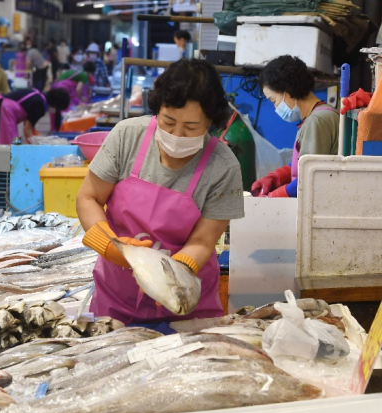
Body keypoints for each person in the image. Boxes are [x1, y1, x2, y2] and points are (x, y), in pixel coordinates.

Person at [76, 58, 244, 325]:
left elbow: (203, 241)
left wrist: (174, 275)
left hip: (187, 305)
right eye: (168, 121)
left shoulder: (224, 167)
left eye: (191, 127)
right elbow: (89, 198)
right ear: (157, 109)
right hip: (117, 298)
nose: (177, 134)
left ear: (211, 121)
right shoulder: (127, 136)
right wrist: (110, 246)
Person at [251, 55, 338, 198]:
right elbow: (304, 164)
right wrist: (276, 177)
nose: (276, 108)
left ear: (288, 90)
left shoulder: (318, 121)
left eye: (274, 100)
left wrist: (274, 196)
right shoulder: (319, 116)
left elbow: (309, 179)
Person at [0, 88, 70, 145]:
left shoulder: (39, 96)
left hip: (0, 106)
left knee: (4, 139)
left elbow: (29, 125)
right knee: (11, 143)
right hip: (5, 110)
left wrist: (39, 138)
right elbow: (27, 130)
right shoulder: (40, 105)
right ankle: (9, 165)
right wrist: (36, 146)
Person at [49, 61, 95, 131]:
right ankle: (61, 128)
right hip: (62, 88)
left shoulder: (79, 71)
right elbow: (78, 89)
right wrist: (81, 98)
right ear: (91, 72)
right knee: (63, 109)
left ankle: (55, 128)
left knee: (57, 109)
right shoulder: (84, 75)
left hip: (57, 86)